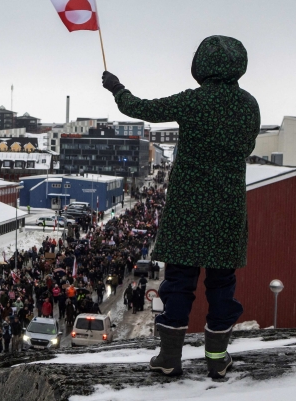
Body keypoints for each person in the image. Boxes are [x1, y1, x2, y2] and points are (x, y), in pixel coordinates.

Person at [103, 35, 259, 378]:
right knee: (222, 285)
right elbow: (247, 146)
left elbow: (140, 109)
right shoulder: (249, 105)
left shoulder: (193, 101)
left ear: (200, 64)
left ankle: (170, 357)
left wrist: (117, 88)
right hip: (227, 207)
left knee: (178, 283)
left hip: (188, 206)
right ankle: (217, 358)